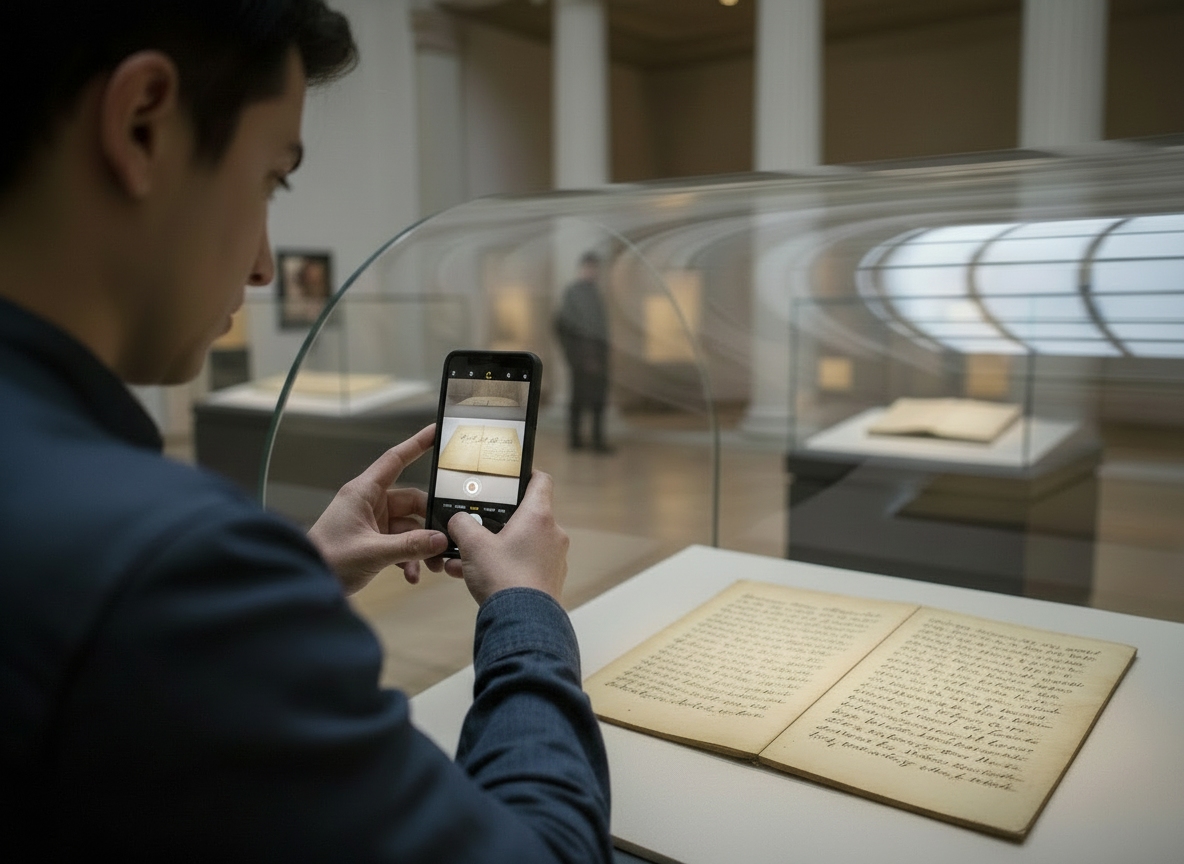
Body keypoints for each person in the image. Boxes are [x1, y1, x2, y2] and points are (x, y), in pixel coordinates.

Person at [0, 2, 610, 862]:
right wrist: (528, 610)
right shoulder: (163, 565)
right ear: (143, 124)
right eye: (269, 180)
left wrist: (305, 571)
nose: (260, 265)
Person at [554, 251, 613, 452]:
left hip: (597, 356)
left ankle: (596, 441)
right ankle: (576, 440)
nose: (593, 271)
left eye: (595, 268)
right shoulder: (574, 293)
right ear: (583, 268)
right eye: (590, 267)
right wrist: (579, 357)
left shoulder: (594, 293)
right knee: (579, 399)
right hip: (582, 358)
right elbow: (563, 326)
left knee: (597, 400)